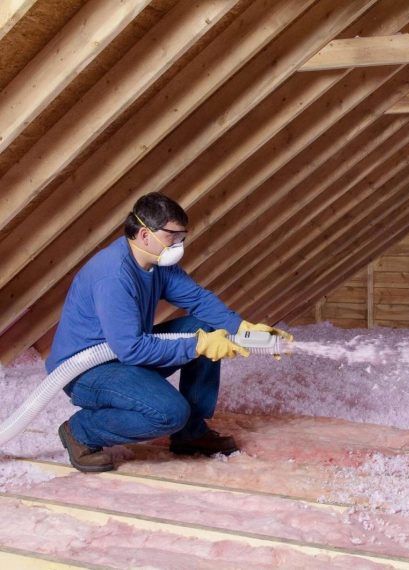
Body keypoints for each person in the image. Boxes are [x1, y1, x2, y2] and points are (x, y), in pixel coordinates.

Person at [45, 192, 292, 473]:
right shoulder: (113, 276)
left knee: (206, 326)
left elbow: (197, 299)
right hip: (88, 372)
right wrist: (198, 346)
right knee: (169, 413)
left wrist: (241, 328)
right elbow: (132, 349)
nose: (178, 245)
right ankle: (81, 431)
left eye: (181, 237)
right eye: (172, 236)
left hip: (125, 357)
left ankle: (191, 434)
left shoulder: (156, 263)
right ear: (144, 234)